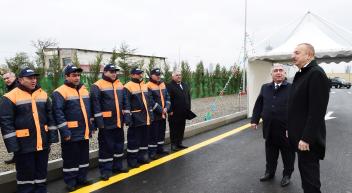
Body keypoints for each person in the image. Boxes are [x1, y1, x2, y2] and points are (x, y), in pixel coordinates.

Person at [0, 68, 58, 193]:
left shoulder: (43, 94)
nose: (33, 80)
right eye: (30, 78)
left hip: (42, 143)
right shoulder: (9, 97)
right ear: (20, 80)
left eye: (35, 78)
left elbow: (50, 117)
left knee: (41, 173)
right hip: (23, 145)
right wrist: (13, 146)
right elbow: (6, 123)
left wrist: (52, 137)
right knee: (26, 176)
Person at [288, 43, 330, 193]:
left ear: (309, 55)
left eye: (297, 52)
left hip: (307, 141)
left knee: (310, 182)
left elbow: (317, 111)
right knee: (306, 179)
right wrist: (290, 129)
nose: (293, 56)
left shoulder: (315, 74)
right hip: (300, 138)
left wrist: (306, 138)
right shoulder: (303, 73)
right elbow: (296, 108)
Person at [251, 64, 295, 187]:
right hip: (269, 128)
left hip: (286, 130)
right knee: (270, 154)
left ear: (285, 74)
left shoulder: (292, 88)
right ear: (271, 74)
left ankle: (287, 175)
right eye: (275, 71)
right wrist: (255, 120)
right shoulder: (265, 88)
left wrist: (295, 127)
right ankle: (269, 172)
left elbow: (298, 109)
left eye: (281, 70)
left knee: (288, 155)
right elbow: (259, 105)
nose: (278, 72)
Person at [52, 65, 94, 191]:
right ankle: (70, 181)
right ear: (66, 76)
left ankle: (82, 178)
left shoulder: (83, 90)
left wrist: (91, 126)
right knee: (71, 159)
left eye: (78, 75)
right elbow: (58, 113)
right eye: (74, 75)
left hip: (84, 131)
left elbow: (88, 110)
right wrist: (65, 131)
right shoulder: (59, 92)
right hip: (70, 132)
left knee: (83, 157)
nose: (77, 78)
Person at [90, 64, 129, 181]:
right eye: (111, 71)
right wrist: (99, 123)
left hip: (118, 123)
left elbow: (125, 102)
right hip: (106, 124)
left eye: (115, 71)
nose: (114, 73)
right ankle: (105, 171)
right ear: (105, 72)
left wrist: (126, 117)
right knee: (106, 148)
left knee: (118, 146)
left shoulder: (119, 84)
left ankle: (117, 167)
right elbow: (95, 106)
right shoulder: (97, 85)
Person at [124, 67, 154, 168]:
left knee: (144, 139)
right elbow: (126, 104)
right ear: (132, 75)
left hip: (145, 118)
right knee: (134, 141)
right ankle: (132, 161)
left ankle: (143, 157)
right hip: (135, 119)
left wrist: (151, 115)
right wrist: (128, 118)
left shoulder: (144, 86)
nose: (140, 75)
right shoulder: (128, 86)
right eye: (138, 74)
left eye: (141, 73)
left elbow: (148, 102)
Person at [146, 68, 171, 159]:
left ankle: (160, 149)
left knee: (161, 132)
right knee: (153, 134)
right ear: (151, 75)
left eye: (159, 75)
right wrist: (162, 110)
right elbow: (150, 101)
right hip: (155, 115)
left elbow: (167, 97)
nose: (158, 76)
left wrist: (166, 108)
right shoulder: (148, 85)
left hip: (163, 114)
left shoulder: (162, 84)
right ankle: (152, 152)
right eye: (157, 75)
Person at [167, 70, 194, 151]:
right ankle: (174, 145)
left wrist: (188, 108)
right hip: (174, 112)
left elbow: (188, 97)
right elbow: (167, 99)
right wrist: (169, 110)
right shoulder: (169, 86)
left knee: (181, 128)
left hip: (183, 111)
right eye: (177, 75)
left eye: (180, 75)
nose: (179, 76)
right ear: (173, 77)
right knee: (174, 129)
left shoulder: (184, 85)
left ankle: (180, 143)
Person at [2, 72, 18, 164]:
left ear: (14, 77)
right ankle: (16, 157)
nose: (6, 80)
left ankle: (18, 157)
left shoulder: (16, 88)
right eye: (4, 79)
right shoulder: (10, 87)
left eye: (8, 78)